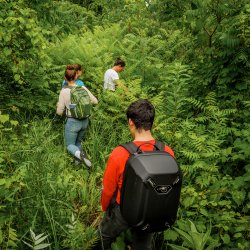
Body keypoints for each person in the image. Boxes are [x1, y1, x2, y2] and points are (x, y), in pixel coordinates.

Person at [96, 99, 175, 249]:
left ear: (131, 122)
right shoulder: (167, 151)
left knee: (103, 236)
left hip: (123, 211)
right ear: (151, 122)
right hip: (152, 211)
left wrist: (105, 208)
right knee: (143, 245)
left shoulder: (119, 153)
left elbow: (108, 189)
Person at [56, 65, 98, 167]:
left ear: (65, 78)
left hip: (72, 122)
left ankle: (81, 155)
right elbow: (95, 101)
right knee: (78, 143)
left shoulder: (64, 91)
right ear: (75, 77)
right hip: (85, 121)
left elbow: (59, 111)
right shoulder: (82, 87)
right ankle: (77, 166)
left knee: (70, 145)